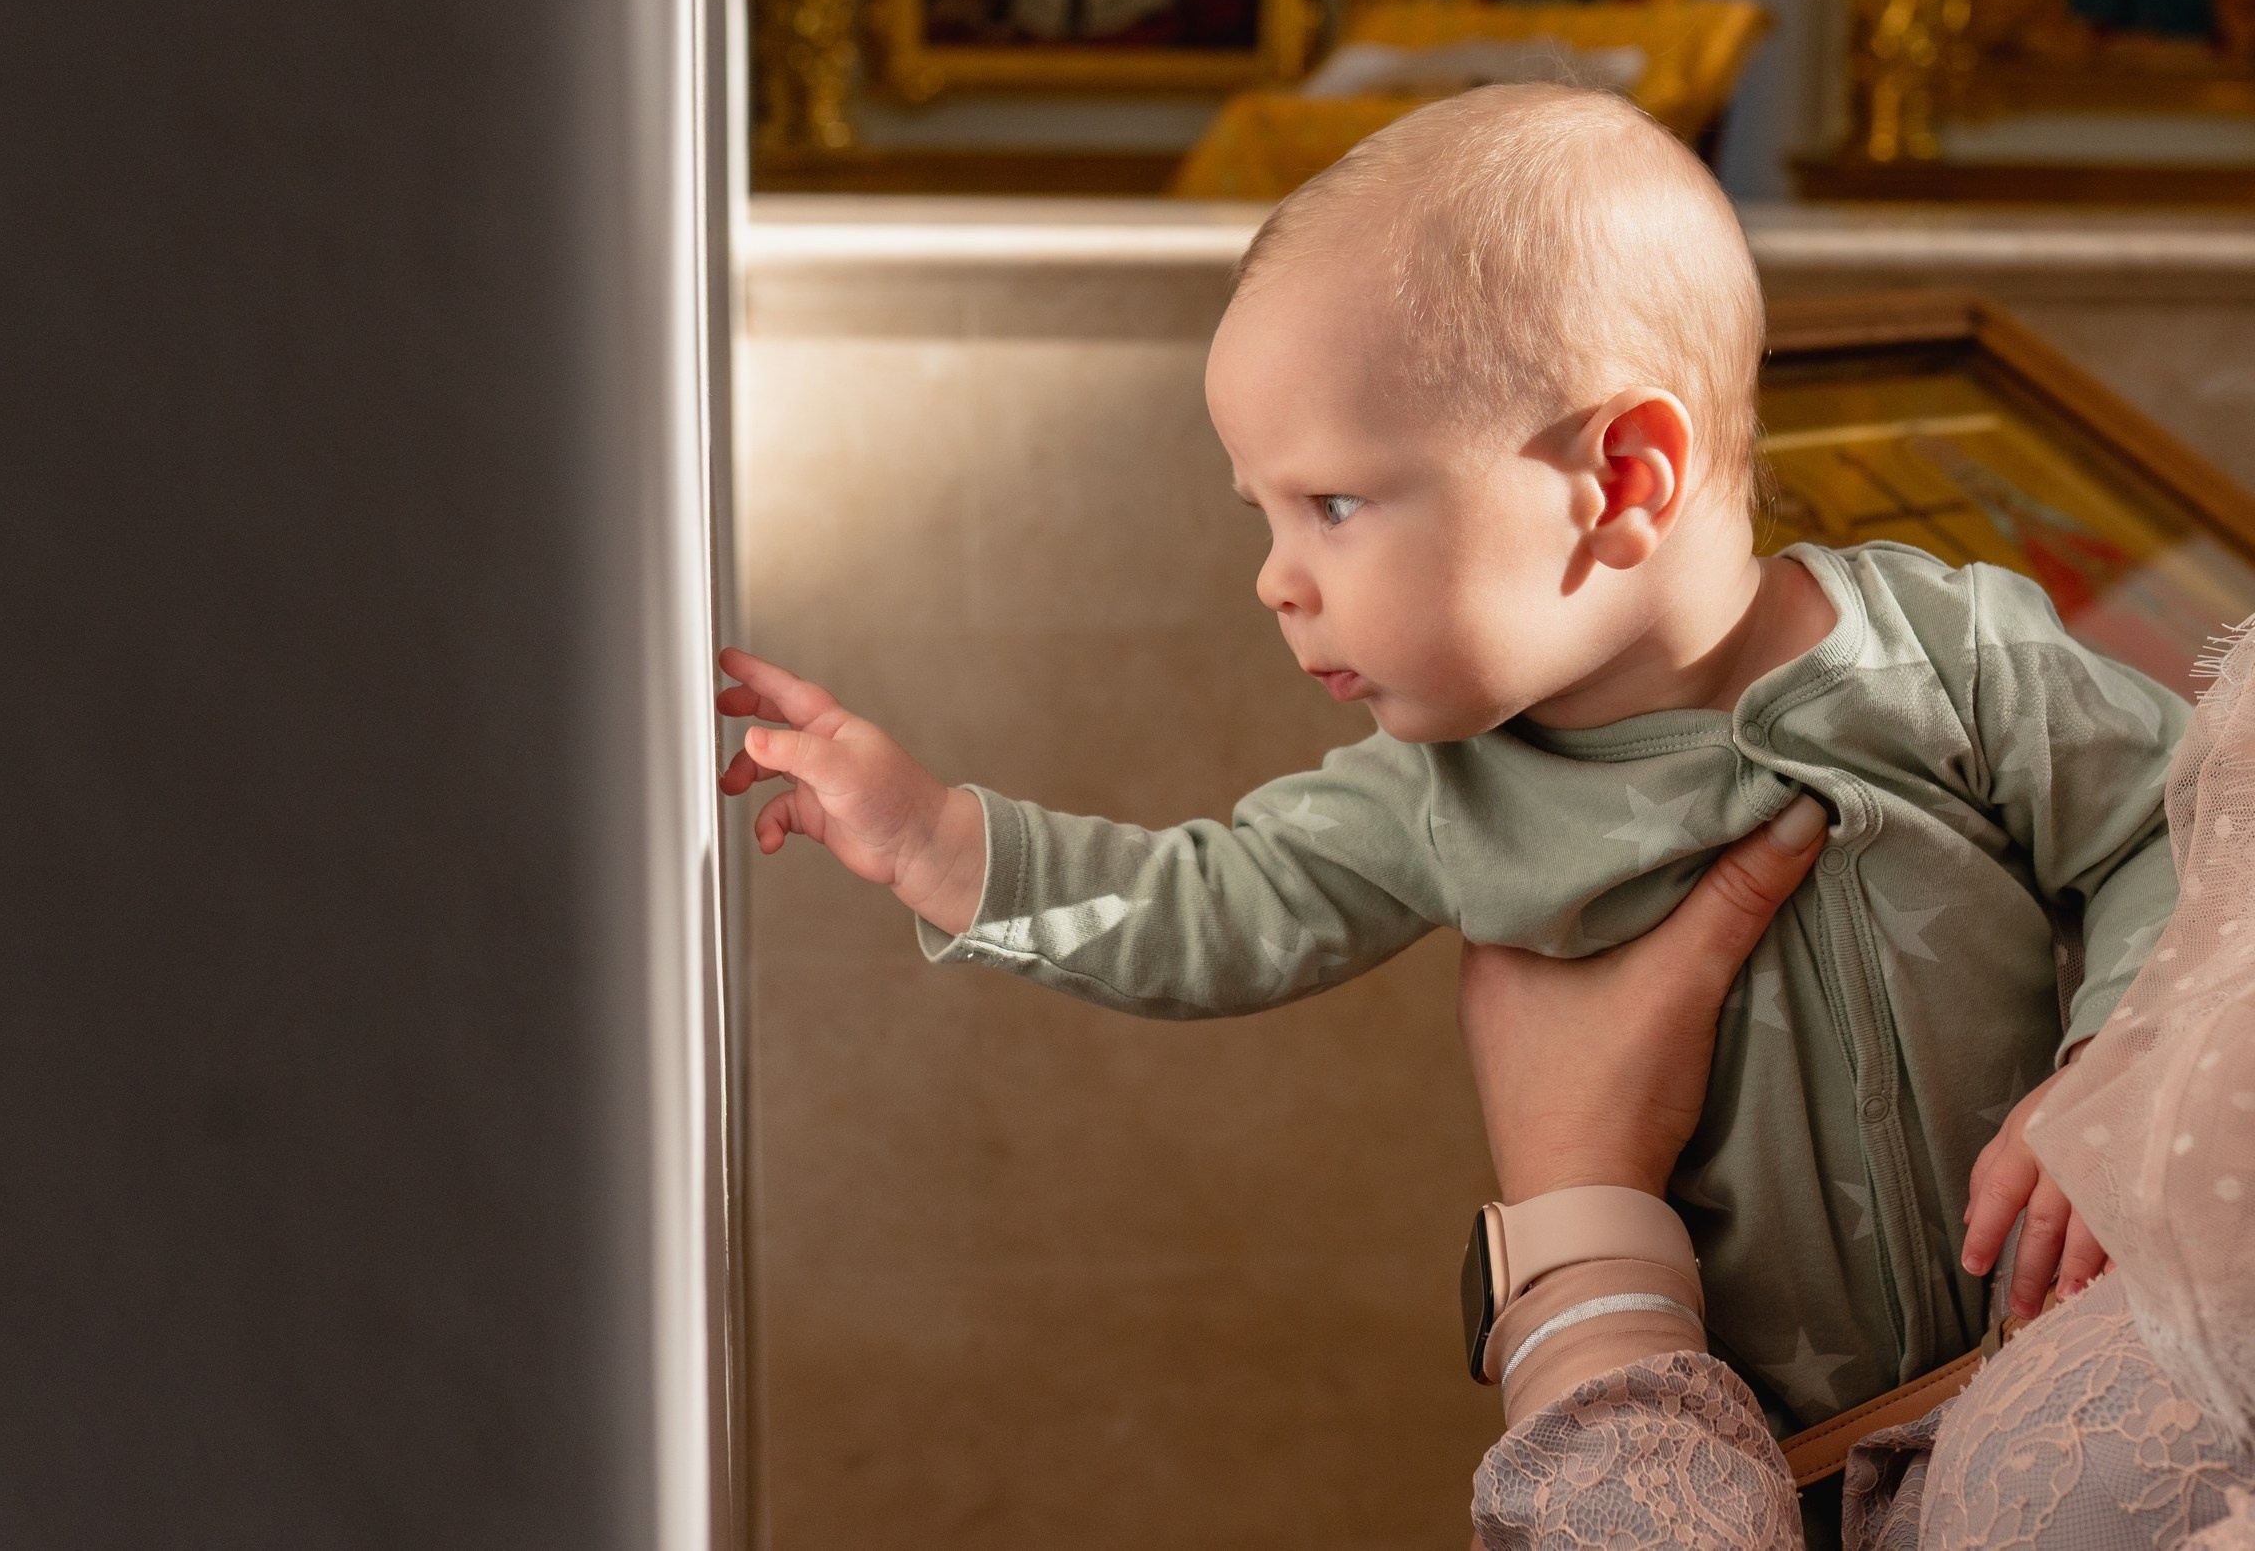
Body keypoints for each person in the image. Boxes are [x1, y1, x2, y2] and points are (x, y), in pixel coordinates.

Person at [715, 83, 2187, 1429]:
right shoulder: (1438, 794)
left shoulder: (1950, 655)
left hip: (2095, 1383)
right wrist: (939, 845)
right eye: (1263, 516)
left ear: (1622, 479)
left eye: (1333, 506)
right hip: (1768, 1469)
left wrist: (2114, 1070)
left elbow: (2181, 824)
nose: (1275, 580)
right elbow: (1204, 905)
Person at [1456, 626, 2255, 1547]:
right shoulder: (1454, 774)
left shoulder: (1952, 647)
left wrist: (1577, 1216)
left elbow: (2160, 819)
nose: (1306, 590)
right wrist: (2117, 1056)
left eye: (1341, 535)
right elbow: (2190, 812)